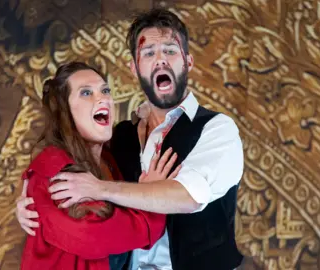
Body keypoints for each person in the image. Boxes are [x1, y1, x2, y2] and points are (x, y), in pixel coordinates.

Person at [16, 8, 244, 270]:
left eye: (170, 50)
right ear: (134, 69)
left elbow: (189, 196)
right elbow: (65, 168)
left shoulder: (217, 130)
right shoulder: (120, 137)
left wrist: (99, 188)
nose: (160, 60)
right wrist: (30, 203)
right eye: (148, 53)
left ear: (187, 62)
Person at [18, 61, 181, 270]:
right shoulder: (51, 168)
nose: (102, 97)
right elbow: (92, 236)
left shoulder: (110, 160)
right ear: (64, 110)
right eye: (86, 93)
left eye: (105, 90)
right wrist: (153, 201)